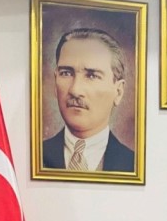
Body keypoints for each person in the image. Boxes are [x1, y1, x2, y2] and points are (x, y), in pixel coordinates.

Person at [43, 28, 135, 172]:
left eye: (92, 76)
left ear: (118, 92)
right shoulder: (32, 157)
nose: (75, 90)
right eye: (66, 73)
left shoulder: (133, 165)